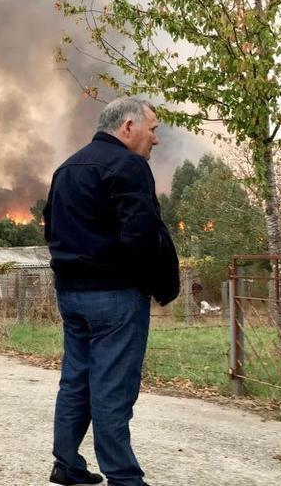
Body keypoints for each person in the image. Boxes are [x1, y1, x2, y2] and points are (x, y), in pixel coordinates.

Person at [43, 97, 179, 486]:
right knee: (113, 389)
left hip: (70, 295)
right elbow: (140, 235)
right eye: (153, 129)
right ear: (128, 126)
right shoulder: (128, 166)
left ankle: (66, 465)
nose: (155, 139)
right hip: (115, 295)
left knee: (76, 380)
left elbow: (51, 228)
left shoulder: (66, 169)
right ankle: (124, 478)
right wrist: (152, 285)